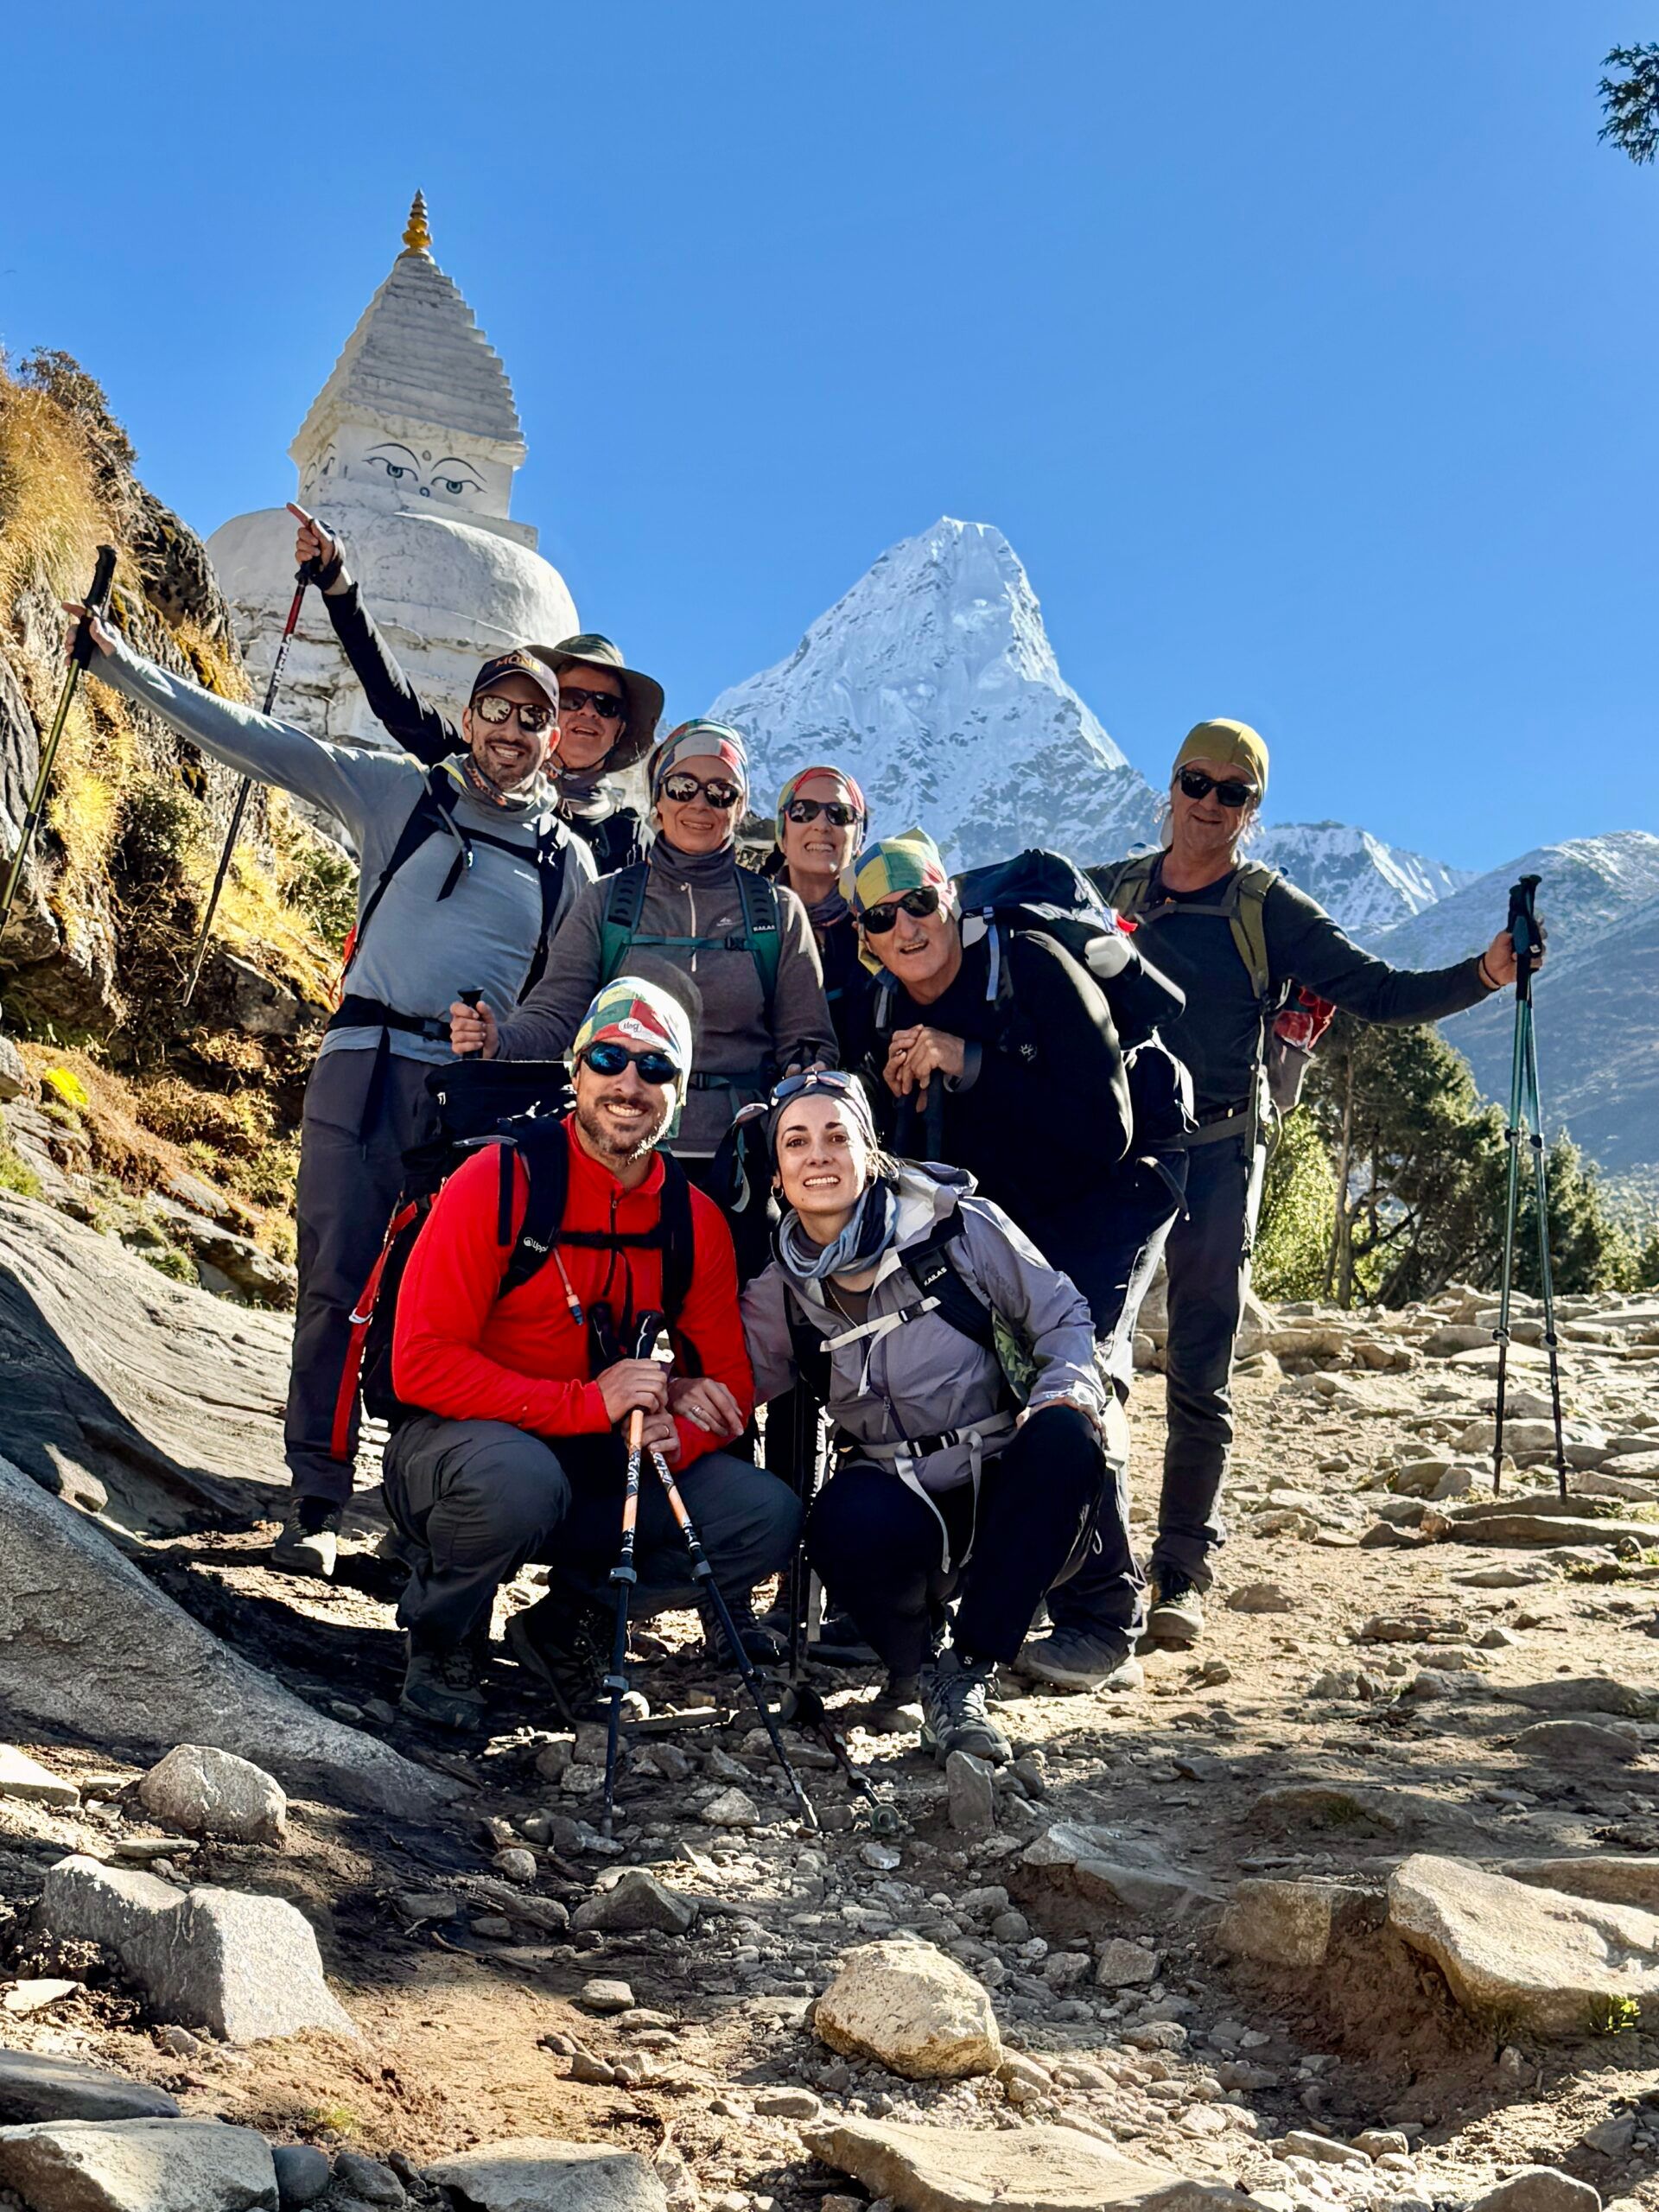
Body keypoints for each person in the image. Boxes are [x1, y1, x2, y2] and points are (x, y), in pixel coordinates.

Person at [73, 602, 594, 1577]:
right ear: (470, 714)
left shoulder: (570, 864)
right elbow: (263, 743)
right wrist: (116, 665)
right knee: (333, 1275)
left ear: (555, 740)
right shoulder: (397, 793)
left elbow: (568, 1008)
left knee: (448, 1301)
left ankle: (412, 1506)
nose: (512, 731)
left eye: (534, 718)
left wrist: (511, 1044)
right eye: (498, 709)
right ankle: (315, 1493)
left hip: (475, 1097)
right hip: (364, 1062)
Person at [1034, 717, 1545, 1662]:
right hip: (1113, 1152)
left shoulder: (1268, 907)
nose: (1209, 803)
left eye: (1234, 792)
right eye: (1197, 781)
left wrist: (1486, 973)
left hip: (1221, 1151)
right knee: (1077, 1354)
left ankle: (1180, 1570)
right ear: (1173, 784)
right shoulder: (1111, 892)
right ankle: (1068, 1560)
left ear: (1253, 810)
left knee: (1199, 1360)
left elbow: (1378, 991)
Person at [385, 976, 801, 1729]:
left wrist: (690, 1423)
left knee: (761, 1514)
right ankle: (444, 1630)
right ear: (575, 1071)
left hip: (604, 1459)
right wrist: (589, 1403)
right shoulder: (498, 1181)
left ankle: (568, 1624)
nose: (629, 1083)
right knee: (516, 1480)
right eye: (608, 1058)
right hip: (464, 1450)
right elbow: (418, 1364)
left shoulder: (692, 1219)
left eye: (656, 1067)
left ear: (677, 1093)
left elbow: (729, 1384)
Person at [842, 828, 1156, 1682]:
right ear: (865, 938)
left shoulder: (1034, 965)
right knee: (980, 1370)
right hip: (1003, 1213)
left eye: (919, 902)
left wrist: (970, 1060)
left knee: (1069, 1368)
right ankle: (1002, 1583)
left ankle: (1104, 1615)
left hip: (1106, 1197)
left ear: (949, 896)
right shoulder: (881, 1008)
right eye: (882, 917)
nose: (908, 927)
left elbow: (1108, 1128)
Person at [739, 1071, 1110, 1760]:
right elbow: (732, 1385)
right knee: (840, 1522)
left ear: (870, 1151)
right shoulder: (782, 1291)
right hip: (896, 1489)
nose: (818, 1155)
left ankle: (967, 1671)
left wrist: (1066, 1391)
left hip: (1005, 1471)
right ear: (778, 1174)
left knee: (1065, 1438)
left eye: (836, 1136)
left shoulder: (956, 1227)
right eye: (796, 1142)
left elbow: (1063, 1315)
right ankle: (916, 1665)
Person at [449, 721, 836, 1194]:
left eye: (721, 792)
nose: (699, 803)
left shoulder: (776, 912)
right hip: (619, 1150)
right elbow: (558, 1013)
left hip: (740, 1158)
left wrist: (806, 1073)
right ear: (658, 798)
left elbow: (808, 1041)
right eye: (682, 787)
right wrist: (499, 1041)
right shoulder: (606, 902)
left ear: (738, 808)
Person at [290, 505, 659, 872]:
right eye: (574, 699)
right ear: (547, 715)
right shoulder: (477, 766)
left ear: (621, 729)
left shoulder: (632, 841)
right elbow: (395, 702)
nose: (588, 713)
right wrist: (339, 588)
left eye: (606, 706)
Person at [764, 766, 870, 1065]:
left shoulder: (883, 924)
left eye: (840, 814)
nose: (821, 824)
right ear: (782, 834)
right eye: (803, 811)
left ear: (858, 839)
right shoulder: (748, 922)